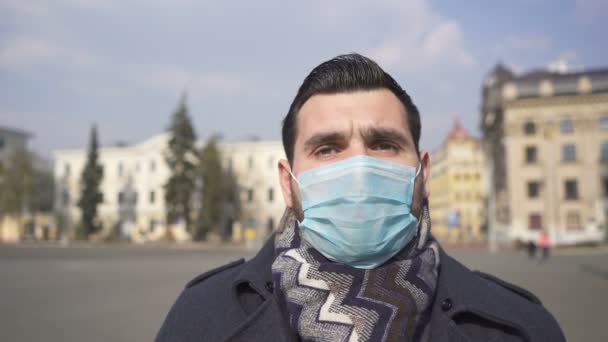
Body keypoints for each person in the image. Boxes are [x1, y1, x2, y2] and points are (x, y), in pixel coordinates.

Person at [156, 54, 565, 341]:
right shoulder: (201, 319)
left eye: (384, 144)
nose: (359, 168)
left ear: (423, 173)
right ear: (288, 182)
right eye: (328, 149)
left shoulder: (518, 326)